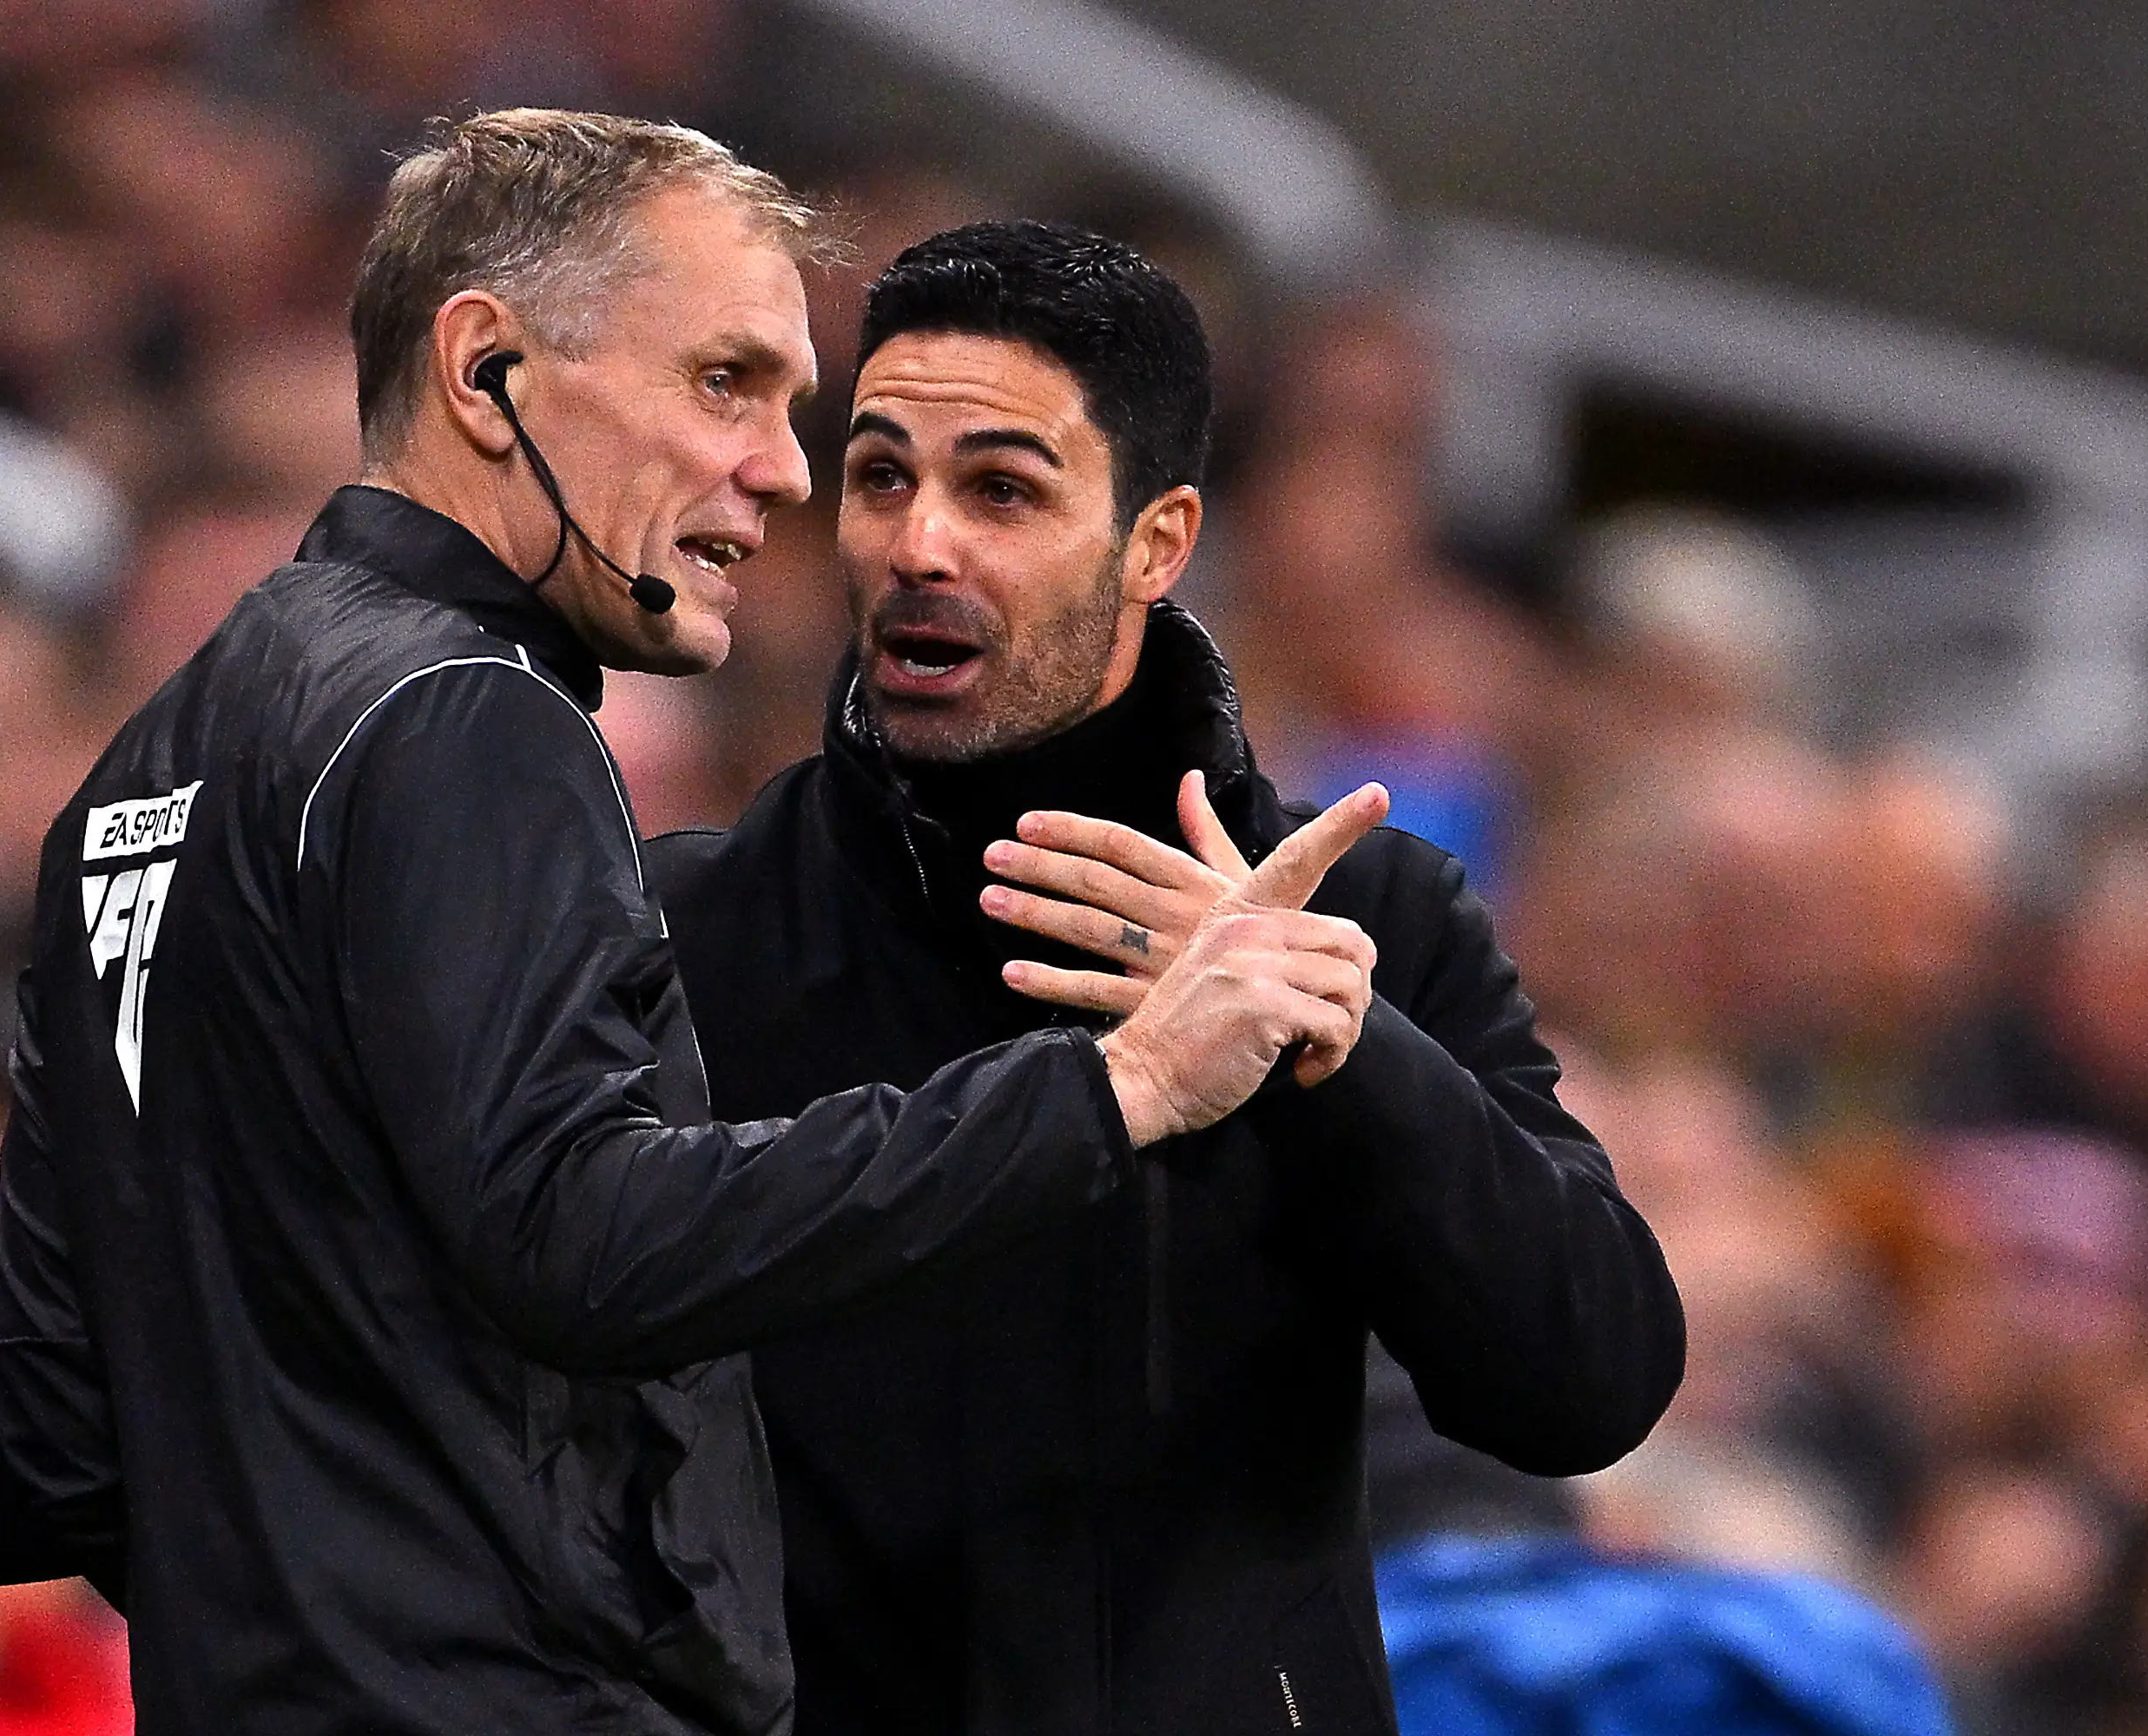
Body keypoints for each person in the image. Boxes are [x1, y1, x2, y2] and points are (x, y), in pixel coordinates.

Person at [0, 119, 1388, 1736]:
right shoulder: (466, 714)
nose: (780, 466)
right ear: (487, 373)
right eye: (723, 384)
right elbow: (583, 1233)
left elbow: (85, 1422)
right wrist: (1116, 1088)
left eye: (791, 407)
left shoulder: (143, 776)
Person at [640, 222, 1686, 1733]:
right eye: (881, 476)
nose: (920, 544)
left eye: (1000, 488)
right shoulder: (696, 925)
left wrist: (1345, 1057)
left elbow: (1588, 1378)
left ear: (1157, 538)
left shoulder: (1363, 914)